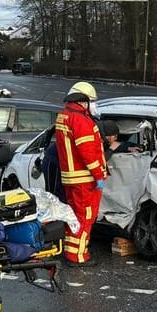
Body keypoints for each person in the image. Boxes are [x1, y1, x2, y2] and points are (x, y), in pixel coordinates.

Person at [55, 81, 107, 267]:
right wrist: (99, 176)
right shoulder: (81, 120)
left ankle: (72, 251)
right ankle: (78, 256)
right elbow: (87, 153)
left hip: (71, 177)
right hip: (85, 179)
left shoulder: (64, 116)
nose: (94, 105)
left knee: (75, 217)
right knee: (86, 217)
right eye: (92, 101)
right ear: (83, 101)